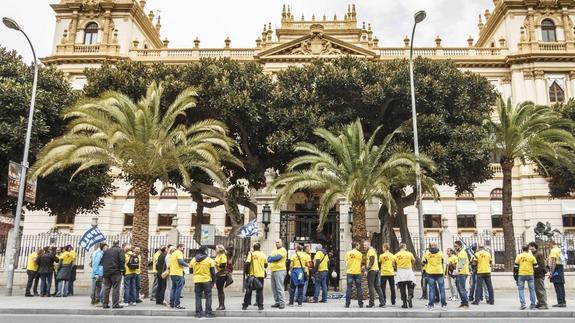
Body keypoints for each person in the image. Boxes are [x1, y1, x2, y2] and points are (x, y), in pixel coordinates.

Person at [190, 245, 216, 318]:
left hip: (197, 280)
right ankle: (208, 313)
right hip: (206, 280)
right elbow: (213, 273)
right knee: (208, 296)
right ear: (206, 251)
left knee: (198, 297)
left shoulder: (193, 260)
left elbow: (191, 271)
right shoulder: (209, 260)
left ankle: (198, 313)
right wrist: (213, 281)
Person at [243, 243, 267, 310]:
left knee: (249, 290)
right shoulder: (263, 254)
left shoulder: (251, 254)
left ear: (253, 248)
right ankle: (260, 306)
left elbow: (247, 263)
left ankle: (245, 305)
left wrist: (246, 272)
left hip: (252, 275)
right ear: (260, 248)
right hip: (261, 275)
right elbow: (266, 265)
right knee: (260, 290)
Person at [422, 242, 446, 311]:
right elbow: (442, 262)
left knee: (431, 290)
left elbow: (424, 262)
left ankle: (431, 305)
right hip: (439, 272)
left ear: (430, 246)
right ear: (436, 246)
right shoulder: (440, 253)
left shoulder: (427, 253)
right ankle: (443, 305)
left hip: (430, 273)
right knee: (442, 289)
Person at [102, 240, 125, 309]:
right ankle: (115, 304)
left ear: (113, 244)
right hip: (116, 272)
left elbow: (103, 260)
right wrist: (122, 270)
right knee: (116, 288)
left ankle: (105, 304)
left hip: (106, 272)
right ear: (118, 244)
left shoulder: (107, 251)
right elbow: (122, 260)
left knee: (106, 288)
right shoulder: (120, 250)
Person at [514, 244, 538, 310]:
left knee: (521, 289)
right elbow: (536, 266)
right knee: (532, 289)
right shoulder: (532, 256)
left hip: (521, 274)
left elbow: (515, 267)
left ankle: (523, 304)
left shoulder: (519, 256)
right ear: (528, 249)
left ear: (522, 249)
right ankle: (533, 304)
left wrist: (515, 276)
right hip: (530, 274)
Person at [268, 239, 287, 309]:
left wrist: (272, 258)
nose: (277, 244)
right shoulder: (274, 251)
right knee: (274, 288)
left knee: (279, 288)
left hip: (280, 270)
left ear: (281, 243)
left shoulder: (283, 250)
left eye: (278, 242)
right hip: (273, 270)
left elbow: (277, 258)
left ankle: (282, 303)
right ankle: (277, 302)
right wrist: (272, 258)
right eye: (276, 242)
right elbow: (268, 259)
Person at [363, 241, 384, 308]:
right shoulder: (372, 250)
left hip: (372, 271)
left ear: (369, 245)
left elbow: (371, 261)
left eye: (365, 245)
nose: (364, 246)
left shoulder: (371, 251)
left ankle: (371, 303)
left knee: (371, 287)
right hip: (376, 270)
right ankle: (382, 303)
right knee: (377, 286)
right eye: (364, 245)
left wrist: (366, 269)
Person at [395, 243, 416, 309]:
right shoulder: (409, 254)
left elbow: (393, 263)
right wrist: (411, 265)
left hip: (400, 272)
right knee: (411, 286)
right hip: (408, 271)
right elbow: (414, 260)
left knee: (402, 289)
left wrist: (397, 266)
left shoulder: (396, 255)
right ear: (404, 247)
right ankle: (409, 297)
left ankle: (404, 304)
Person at [528, 242, 548, 310]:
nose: (529, 248)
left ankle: (544, 304)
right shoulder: (534, 254)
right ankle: (540, 302)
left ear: (534, 246)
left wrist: (536, 272)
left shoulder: (539, 254)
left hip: (539, 275)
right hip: (535, 275)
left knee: (540, 289)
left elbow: (541, 265)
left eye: (530, 246)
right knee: (537, 290)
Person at [345, 242, 363, 308]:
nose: (359, 246)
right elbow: (360, 263)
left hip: (349, 272)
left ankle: (347, 304)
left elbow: (346, 263)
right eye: (358, 245)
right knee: (359, 288)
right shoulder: (360, 254)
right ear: (356, 246)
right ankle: (360, 304)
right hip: (357, 272)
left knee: (349, 288)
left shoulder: (348, 253)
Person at [548, 240, 566, 307]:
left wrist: (551, 273)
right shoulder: (559, 249)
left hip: (556, 269)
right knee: (561, 286)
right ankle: (563, 302)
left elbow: (553, 262)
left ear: (551, 244)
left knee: (557, 286)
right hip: (561, 268)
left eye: (549, 245)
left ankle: (560, 302)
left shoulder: (553, 251)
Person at [169, 244, 188, 309]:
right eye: (183, 248)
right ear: (179, 247)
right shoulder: (179, 252)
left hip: (172, 273)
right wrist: (187, 265)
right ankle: (177, 304)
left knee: (173, 288)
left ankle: (172, 304)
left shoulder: (173, 253)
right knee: (178, 289)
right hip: (178, 273)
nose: (183, 250)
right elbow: (180, 261)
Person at [453, 241, 469, 309]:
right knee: (460, 289)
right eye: (454, 246)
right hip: (460, 273)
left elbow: (462, 263)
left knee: (462, 289)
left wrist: (457, 271)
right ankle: (463, 303)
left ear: (460, 246)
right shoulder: (459, 253)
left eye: (456, 246)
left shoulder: (462, 253)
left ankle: (466, 304)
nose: (455, 247)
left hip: (462, 273)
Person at [214, 244, 228, 310]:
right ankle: (221, 305)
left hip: (222, 275)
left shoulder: (223, 256)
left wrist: (216, 264)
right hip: (218, 274)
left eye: (216, 249)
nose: (215, 250)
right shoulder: (218, 255)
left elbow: (223, 265)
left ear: (219, 249)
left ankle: (222, 305)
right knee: (219, 290)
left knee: (220, 290)